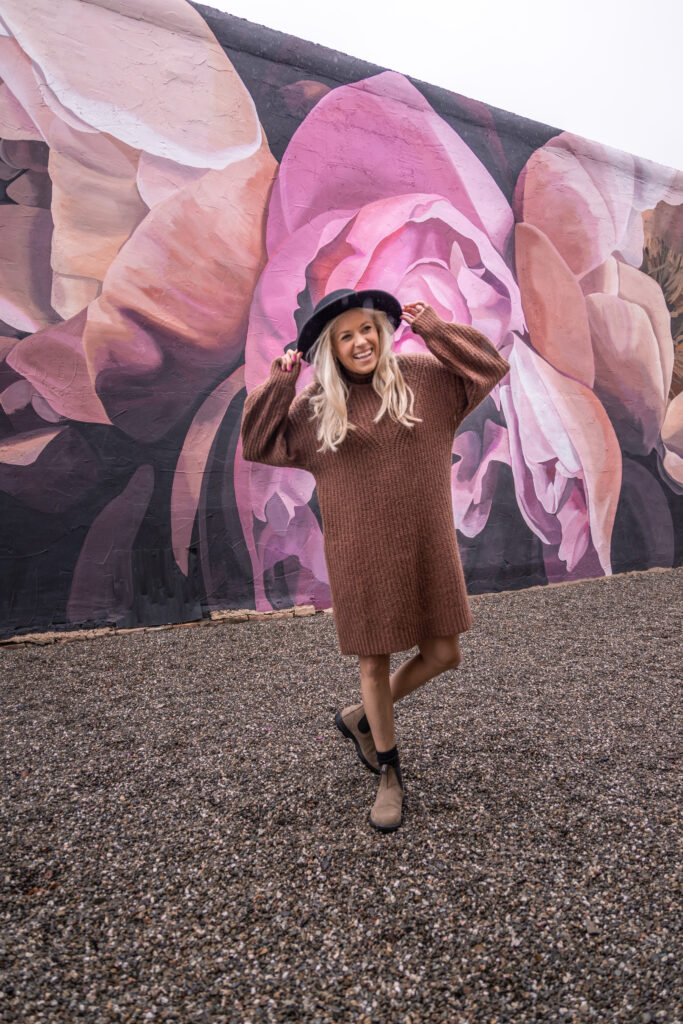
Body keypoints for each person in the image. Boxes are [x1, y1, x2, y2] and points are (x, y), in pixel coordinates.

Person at [240, 289, 510, 832]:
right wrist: (279, 382)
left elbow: (489, 368)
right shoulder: (317, 410)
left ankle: (361, 717)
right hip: (359, 554)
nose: (360, 341)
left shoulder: (427, 380)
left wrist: (435, 328)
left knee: (443, 652)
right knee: (372, 661)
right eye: (346, 336)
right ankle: (389, 774)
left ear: (383, 332)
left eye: (367, 329)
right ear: (331, 349)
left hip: (426, 545)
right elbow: (256, 442)